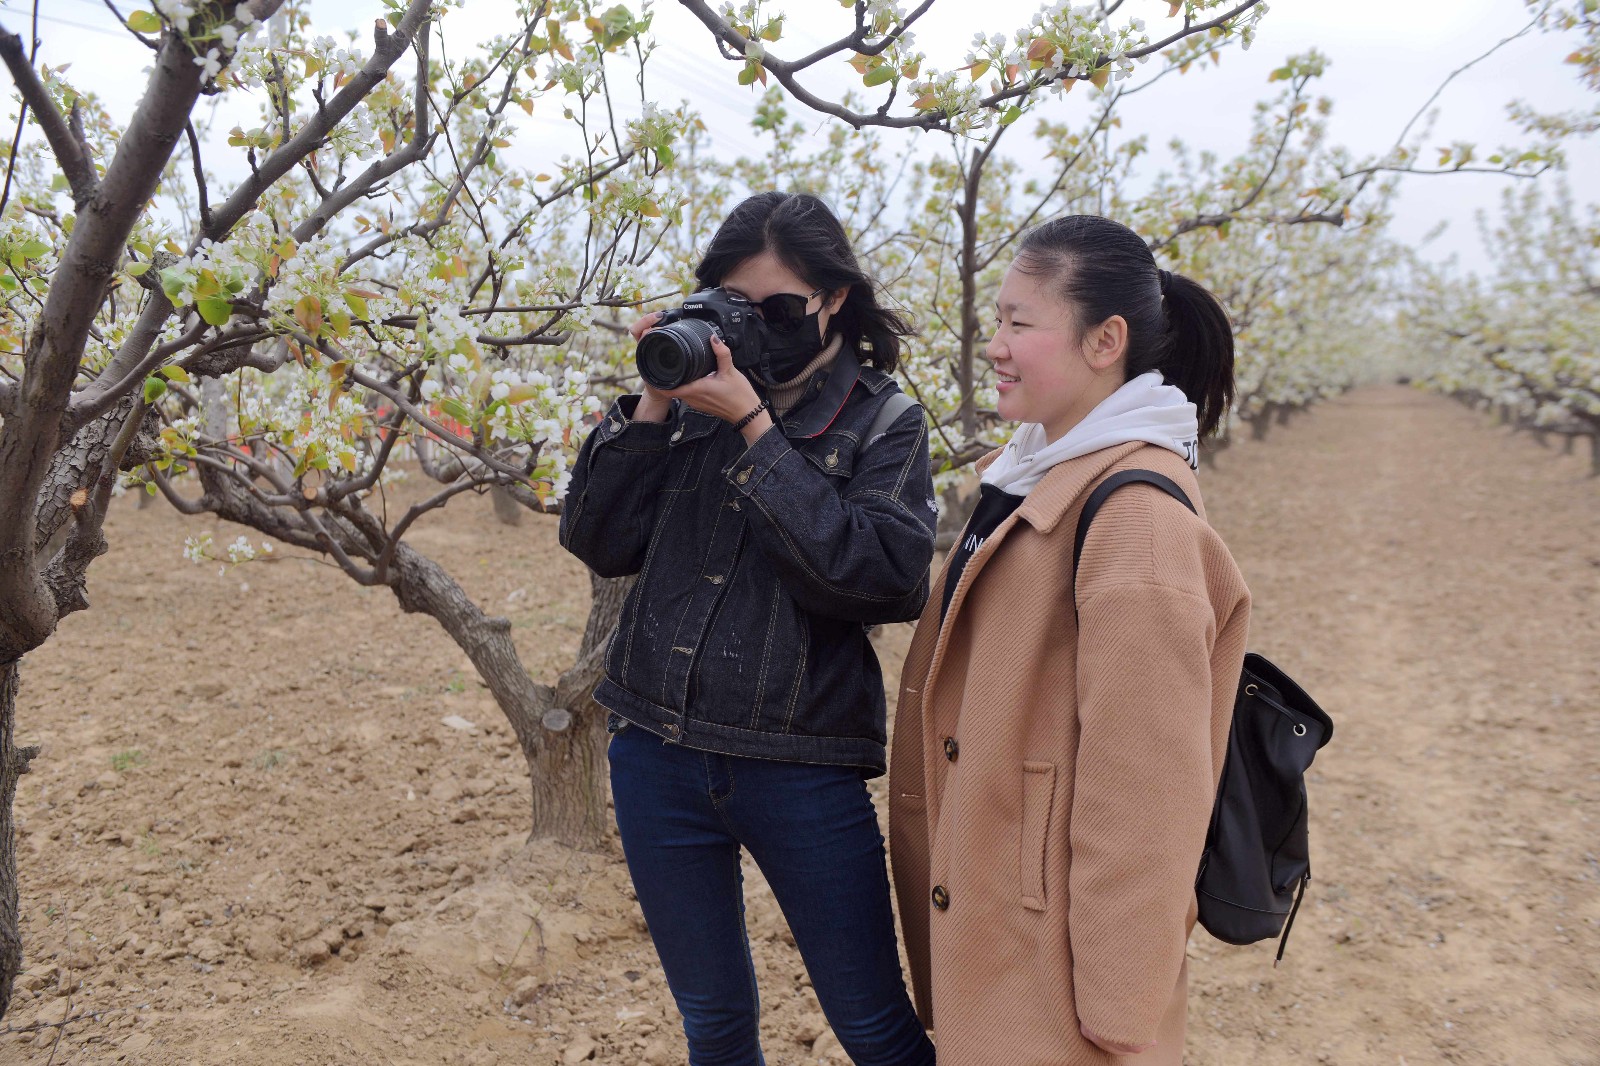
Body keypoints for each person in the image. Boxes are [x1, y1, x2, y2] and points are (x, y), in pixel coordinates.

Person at [560, 191, 938, 1066]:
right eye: (739, 305)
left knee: (875, 1027)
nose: (758, 327)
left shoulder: (885, 420)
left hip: (800, 765)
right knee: (715, 1023)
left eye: (778, 309)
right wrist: (653, 403)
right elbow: (599, 542)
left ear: (833, 300)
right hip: (655, 749)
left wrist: (756, 428)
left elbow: (882, 577)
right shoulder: (689, 395)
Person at [887, 214, 1252, 1065]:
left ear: (1106, 341)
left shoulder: (1136, 527)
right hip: (1015, 942)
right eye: (996, 322)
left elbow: (1147, 804)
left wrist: (1122, 1014)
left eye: (1021, 323)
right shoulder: (1040, 472)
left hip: (1057, 994)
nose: (997, 345)